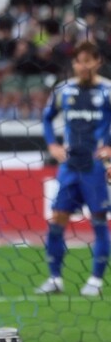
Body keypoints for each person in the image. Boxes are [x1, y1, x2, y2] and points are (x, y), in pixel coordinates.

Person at [35, 40, 111, 297]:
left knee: (99, 221)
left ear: (98, 62)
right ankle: (54, 278)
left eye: (88, 61)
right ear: (74, 64)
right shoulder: (63, 90)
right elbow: (47, 118)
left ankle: (95, 281)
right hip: (69, 166)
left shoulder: (108, 91)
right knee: (57, 220)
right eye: (79, 61)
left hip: (96, 167)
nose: (83, 66)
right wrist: (52, 145)